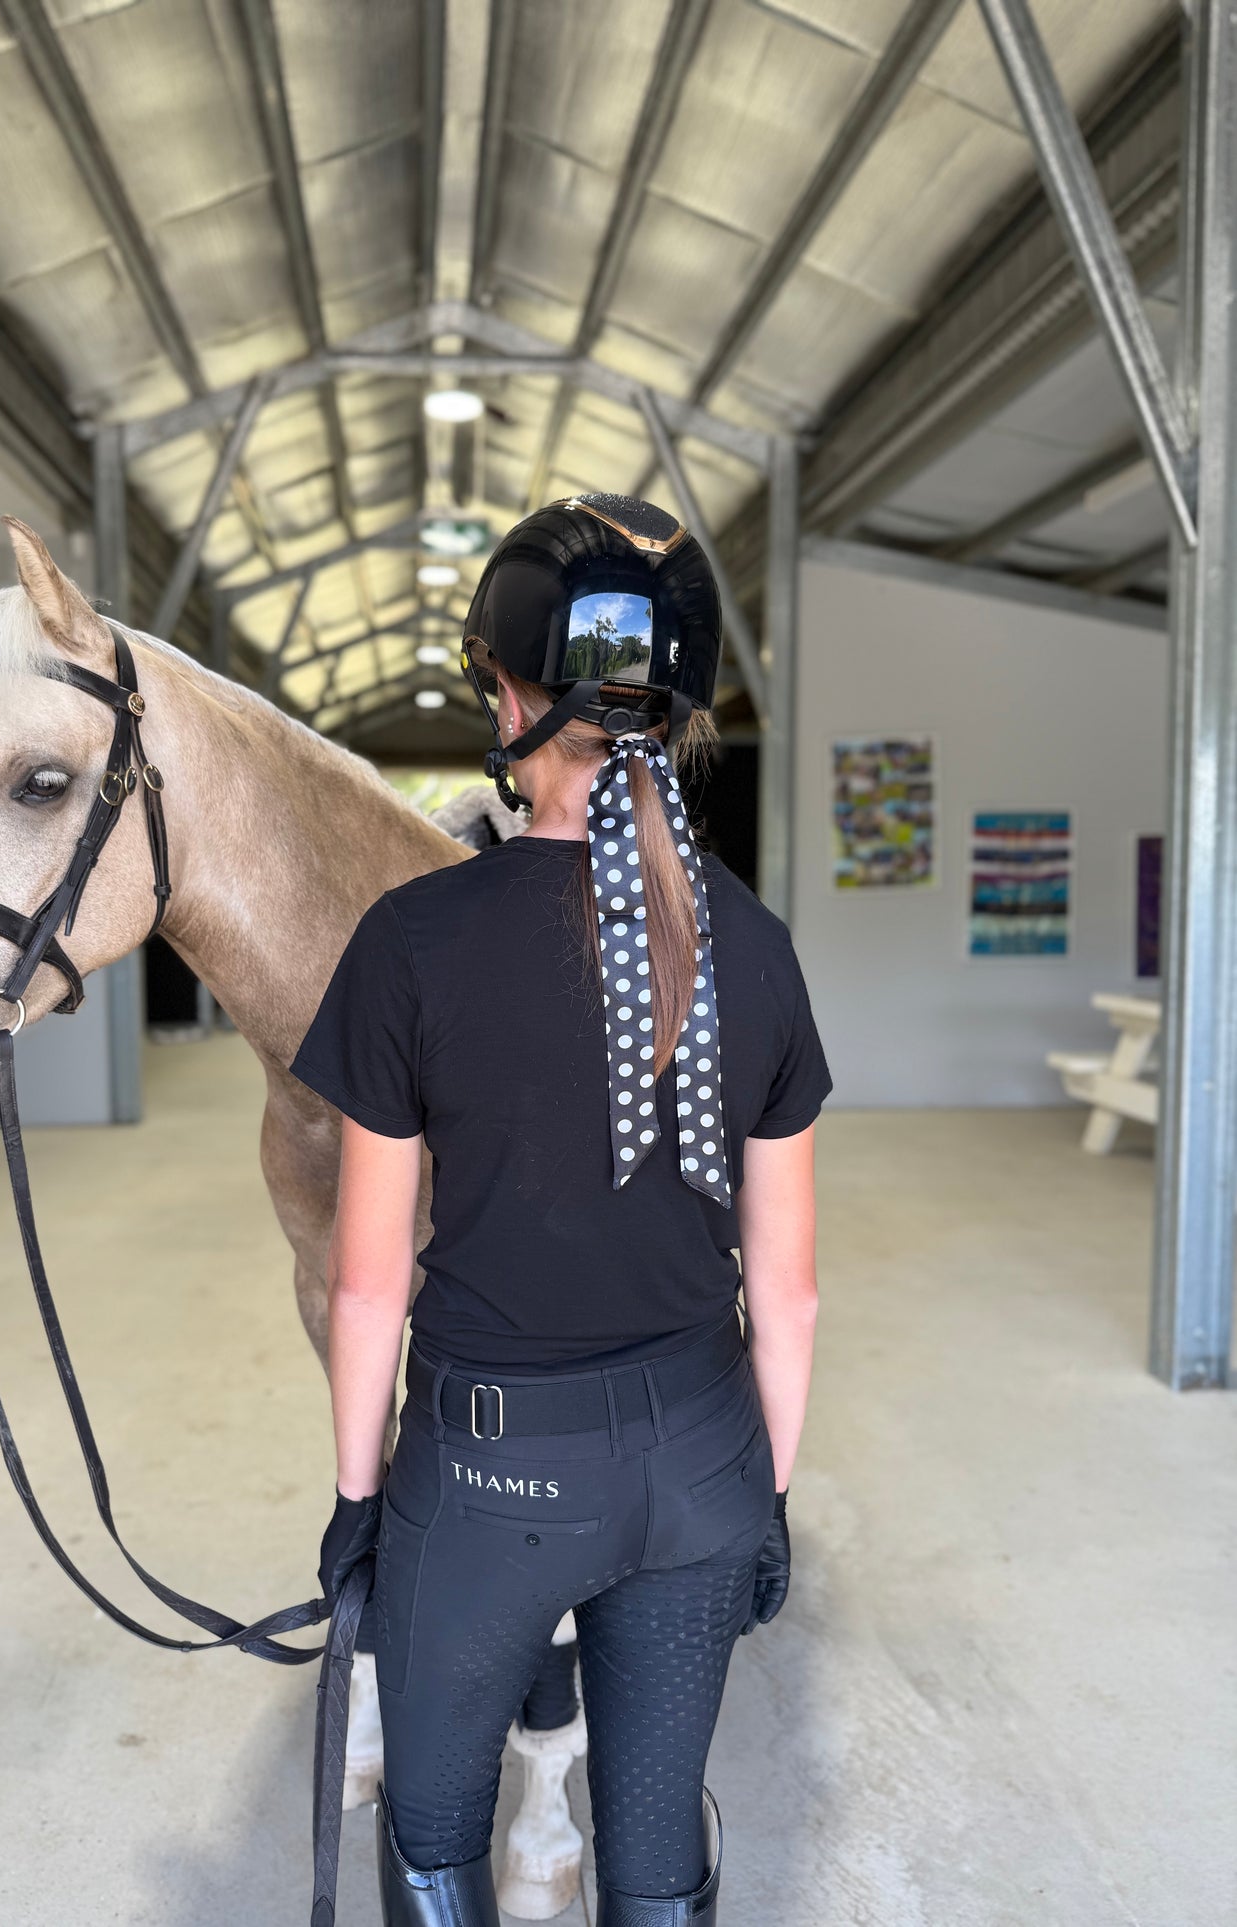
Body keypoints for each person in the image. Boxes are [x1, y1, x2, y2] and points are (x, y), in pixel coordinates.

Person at [291, 494, 830, 1926]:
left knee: (432, 1831)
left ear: (510, 694)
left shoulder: (412, 943)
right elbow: (786, 1294)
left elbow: (364, 1286)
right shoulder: (758, 949)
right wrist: (763, 1493)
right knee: (653, 1856)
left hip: (484, 1484)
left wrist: (356, 1506)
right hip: (703, 1461)